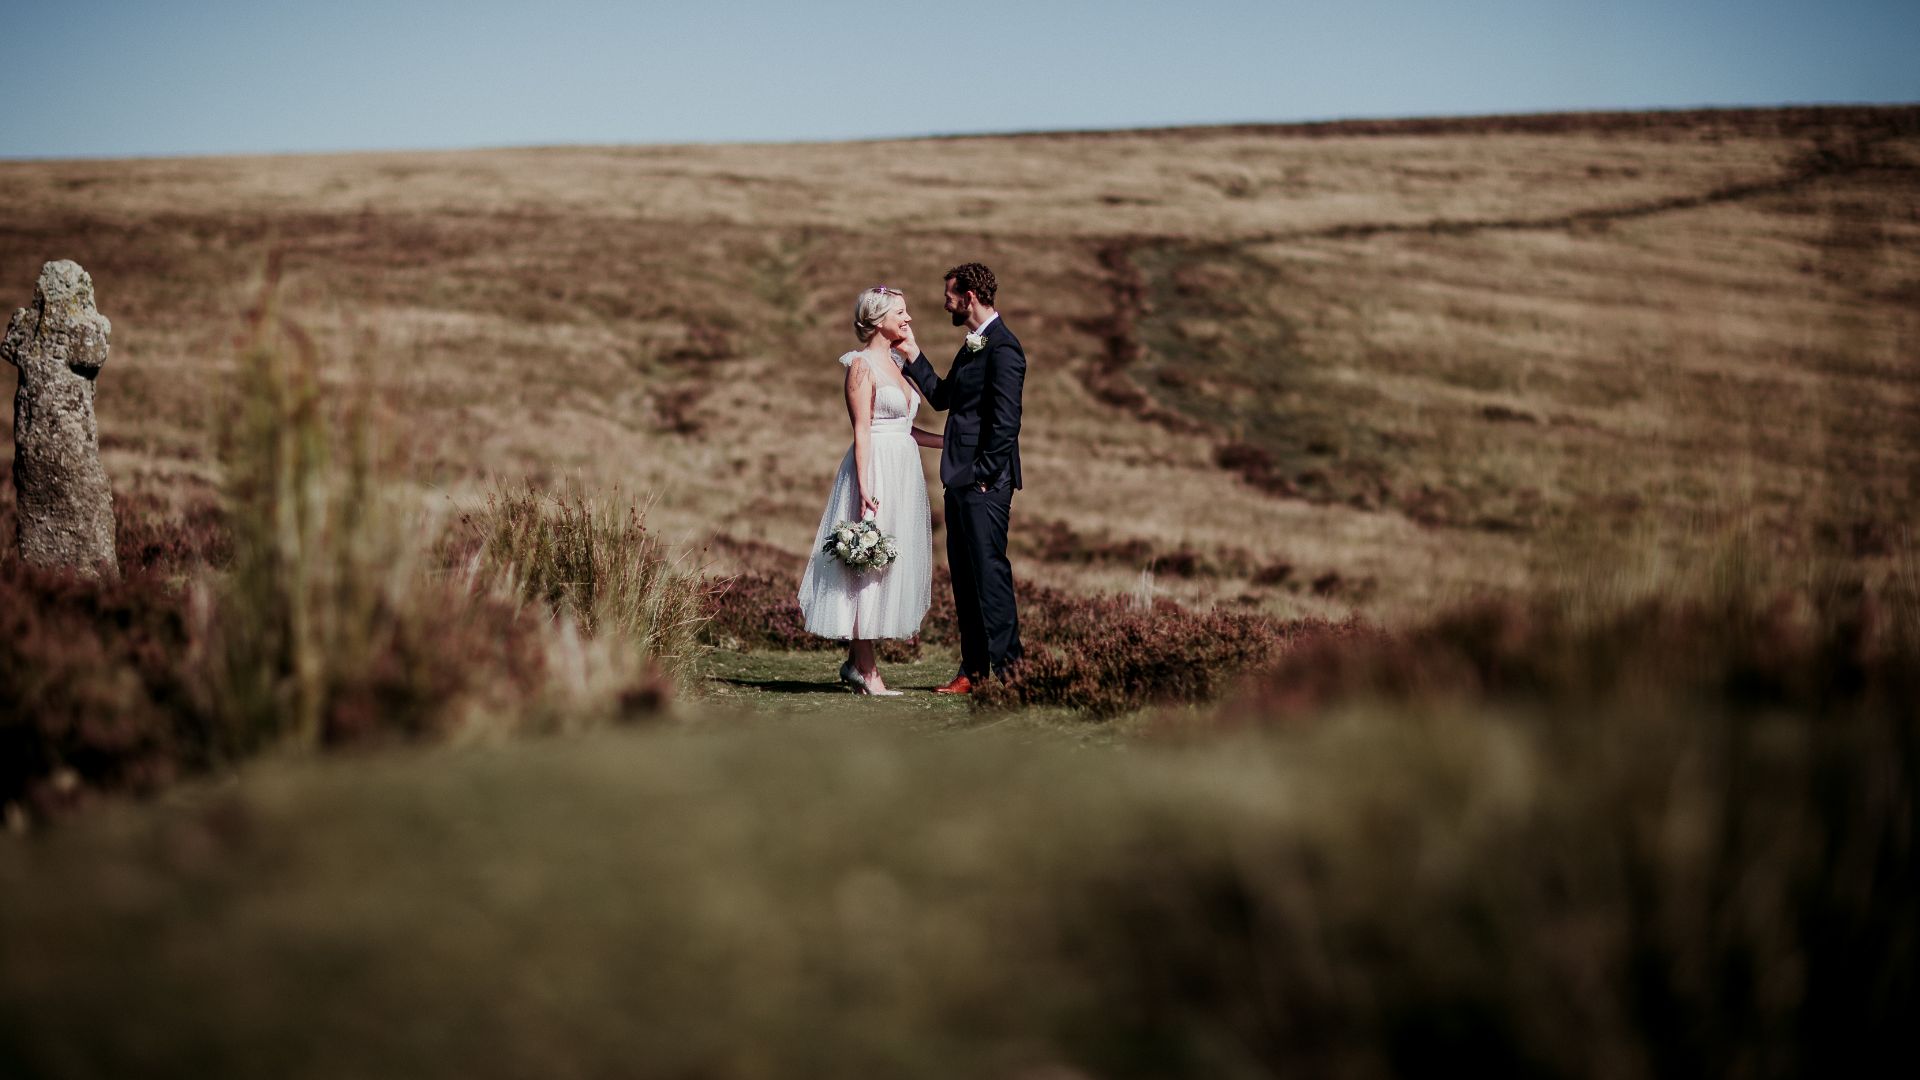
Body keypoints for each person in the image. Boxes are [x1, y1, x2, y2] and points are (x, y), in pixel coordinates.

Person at [797, 286, 943, 695]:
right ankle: (868, 671)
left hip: (905, 471)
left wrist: (948, 442)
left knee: (887, 563)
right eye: (901, 313)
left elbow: (906, 429)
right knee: (866, 566)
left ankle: (854, 662)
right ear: (879, 320)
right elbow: (863, 429)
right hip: (875, 467)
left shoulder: (899, 363)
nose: (909, 319)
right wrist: (865, 487)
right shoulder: (860, 367)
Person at [896, 262, 1025, 694]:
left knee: (990, 576)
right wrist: (911, 353)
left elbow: (1007, 423)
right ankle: (973, 672)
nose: (944, 301)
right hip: (961, 480)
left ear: (969, 296)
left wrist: (985, 476)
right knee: (966, 580)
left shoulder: (1004, 349)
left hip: (984, 483)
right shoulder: (973, 347)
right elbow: (943, 397)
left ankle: (1012, 674)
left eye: (950, 294)